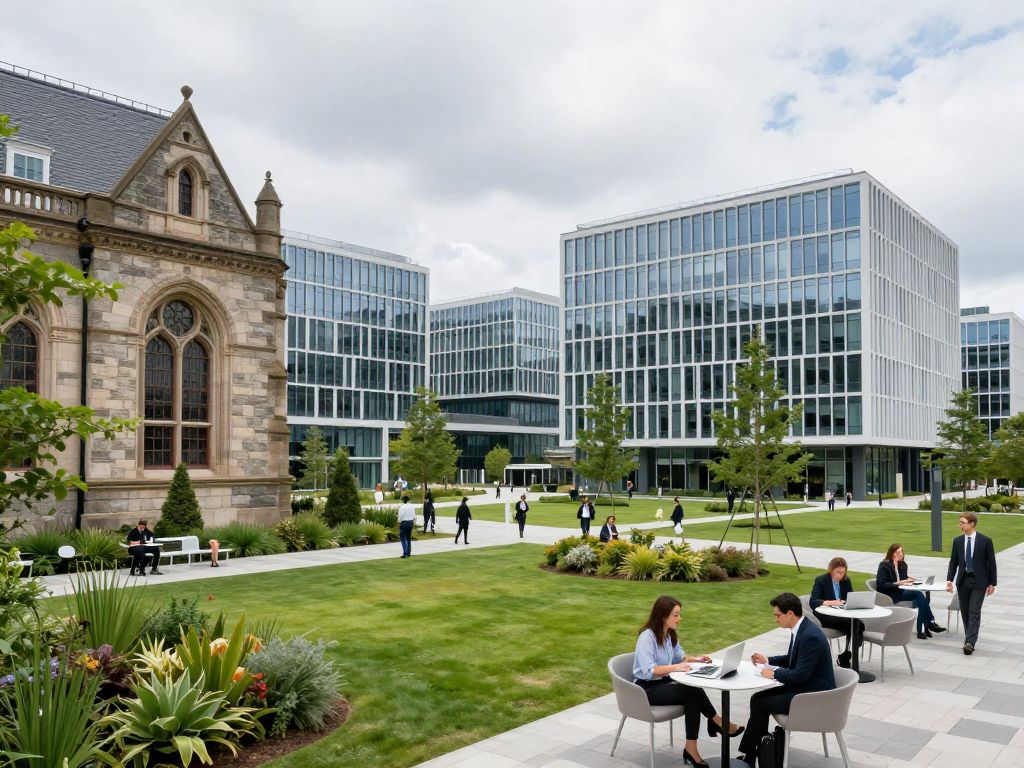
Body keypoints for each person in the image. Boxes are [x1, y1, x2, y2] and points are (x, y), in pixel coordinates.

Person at [633, 596, 743, 768]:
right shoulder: (647, 637)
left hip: (663, 684)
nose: (680, 618)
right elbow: (649, 670)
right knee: (692, 691)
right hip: (645, 690)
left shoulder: (668, 634)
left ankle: (691, 748)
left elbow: (680, 657)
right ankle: (717, 722)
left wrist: (697, 659)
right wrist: (676, 667)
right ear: (663, 616)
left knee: (692, 697)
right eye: (676, 615)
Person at [737, 593, 836, 766]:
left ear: (790, 613)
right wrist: (767, 660)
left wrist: (773, 673)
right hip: (807, 687)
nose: (776, 620)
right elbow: (791, 659)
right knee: (757, 699)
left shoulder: (810, 636)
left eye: (777, 615)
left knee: (759, 703)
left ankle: (752, 757)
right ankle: (753, 754)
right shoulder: (802, 628)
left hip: (813, 697)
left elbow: (799, 675)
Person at [946, 513, 997, 655]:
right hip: (963, 581)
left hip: (979, 582)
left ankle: (969, 642)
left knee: (974, 611)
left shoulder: (985, 541)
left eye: (962, 523)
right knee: (965, 611)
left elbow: (991, 562)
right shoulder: (957, 541)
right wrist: (949, 580)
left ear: (972, 524)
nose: (960, 525)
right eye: (960, 523)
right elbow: (953, 562)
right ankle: (970, 637)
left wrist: (993, 583)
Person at [877, 543, 945, 639]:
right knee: (920, 596)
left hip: (900, 592)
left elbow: (903, 579)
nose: (901, 554)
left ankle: (923, 629)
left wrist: (913, 581)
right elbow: (881, 584)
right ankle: (929, 624)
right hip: (889, 595)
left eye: (902, 551)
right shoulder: (884, 565)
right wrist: (898, 583)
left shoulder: (903, 565)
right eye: (898, 552)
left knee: (922, 596)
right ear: (892, 553)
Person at [809, 556, 863, 667]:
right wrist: (832, 602)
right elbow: (813, 601)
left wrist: (847, 603)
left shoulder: (846, 580)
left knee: (858, 624)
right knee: (855, 626)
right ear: (831, 570)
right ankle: (847, 655)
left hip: (841, 613)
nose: (840, 575)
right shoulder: (821, 580)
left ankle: (847, 653)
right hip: (825, 615)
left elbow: (850, 597)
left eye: (843, 572)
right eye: (838, 572)